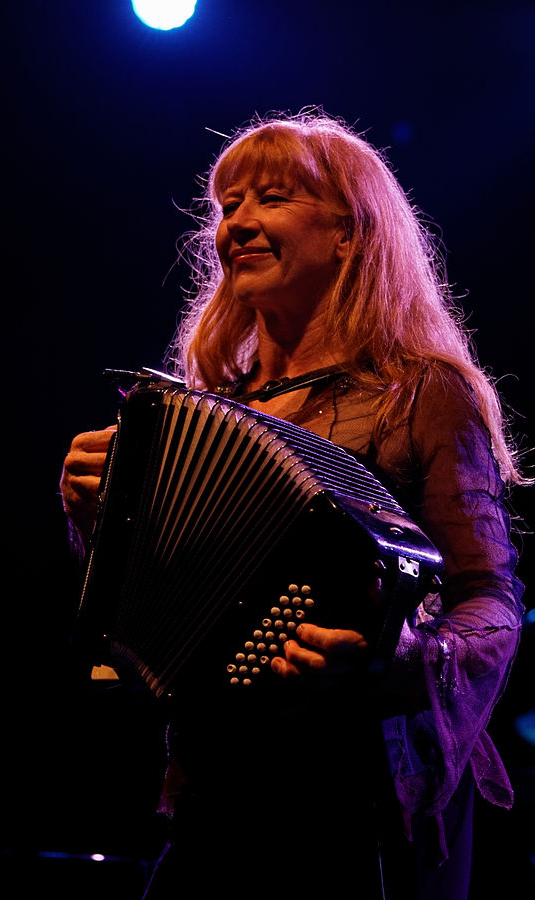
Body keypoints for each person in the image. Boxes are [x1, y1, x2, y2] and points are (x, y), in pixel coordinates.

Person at [59, 109, 529, 899]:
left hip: (364, 792)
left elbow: (490, 600)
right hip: (222, 787)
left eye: (270, 198)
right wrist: (95, 523)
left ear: (349, 233)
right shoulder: (208, 411)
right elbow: (152, 611)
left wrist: (401, 658)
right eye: (226, 205)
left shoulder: (419, 394)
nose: (235, 222)